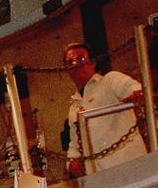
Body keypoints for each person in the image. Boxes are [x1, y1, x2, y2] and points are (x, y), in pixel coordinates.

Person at [63, 41, 147, 178]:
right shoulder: (74, 106)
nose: (76, 64)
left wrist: (137, 94)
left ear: (92, 62)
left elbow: (133, 89)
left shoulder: (110, 80)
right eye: (70, 62)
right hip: (99, 177)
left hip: (131, 169)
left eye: (81, 59)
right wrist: (71, 162)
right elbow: (75, 142)